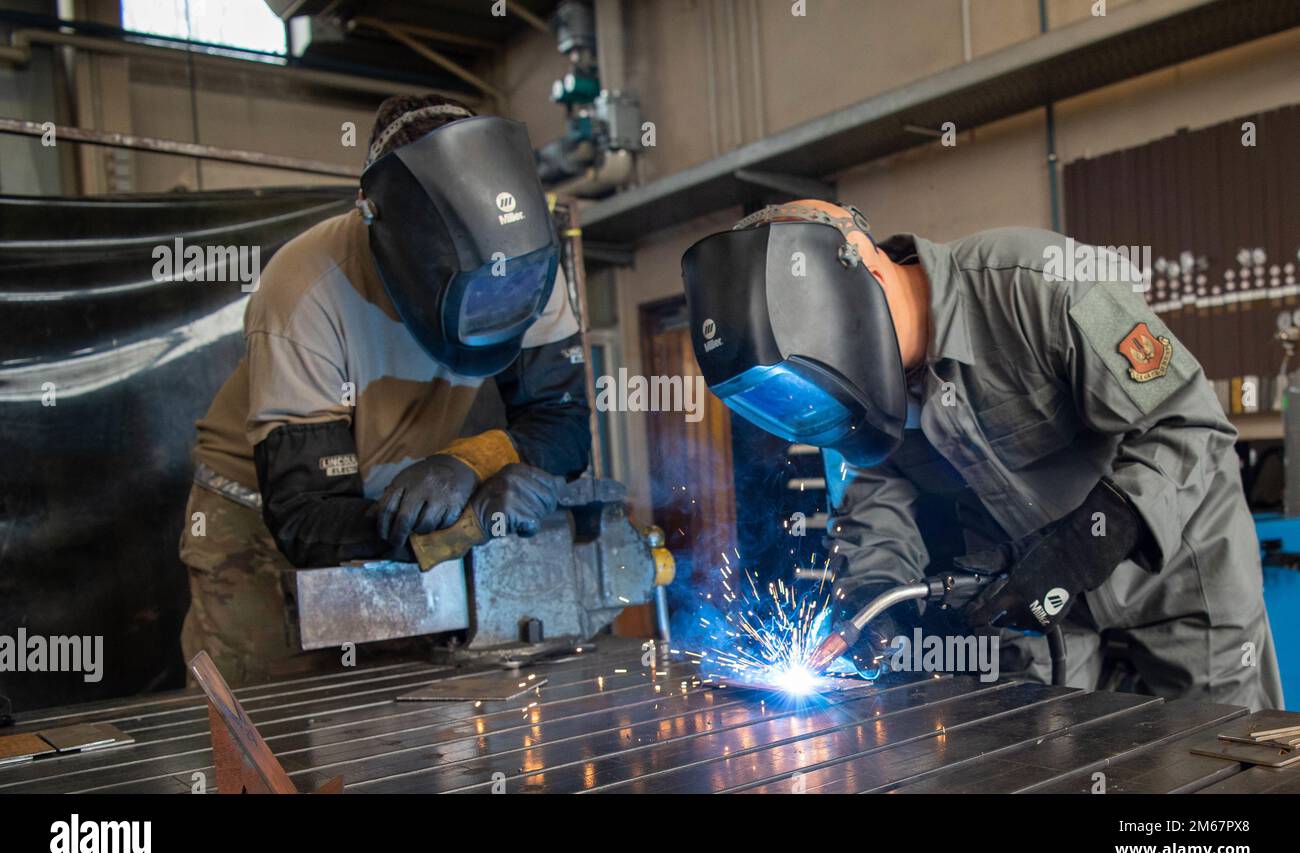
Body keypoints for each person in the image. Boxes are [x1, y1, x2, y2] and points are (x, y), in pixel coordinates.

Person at [681, 199, 1282, 711]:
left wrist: (1082, 546)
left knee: (1212, 765)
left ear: (865, 273)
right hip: (1034, 609)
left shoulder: (1037, 284)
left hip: (1178, 584)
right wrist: (875, 600)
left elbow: (1189, 422)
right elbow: (876, 503)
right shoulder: (869, 398)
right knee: (1050, 758)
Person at [180, 95, 590, 686]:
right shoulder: (305, 289)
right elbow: (306, 521)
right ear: (382, 225)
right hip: (259, 518)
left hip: (404, 498)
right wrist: (472, 517)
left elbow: (563, 424)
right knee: (270, 724)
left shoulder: (525, 262)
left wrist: (472, 461)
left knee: (390, 712)